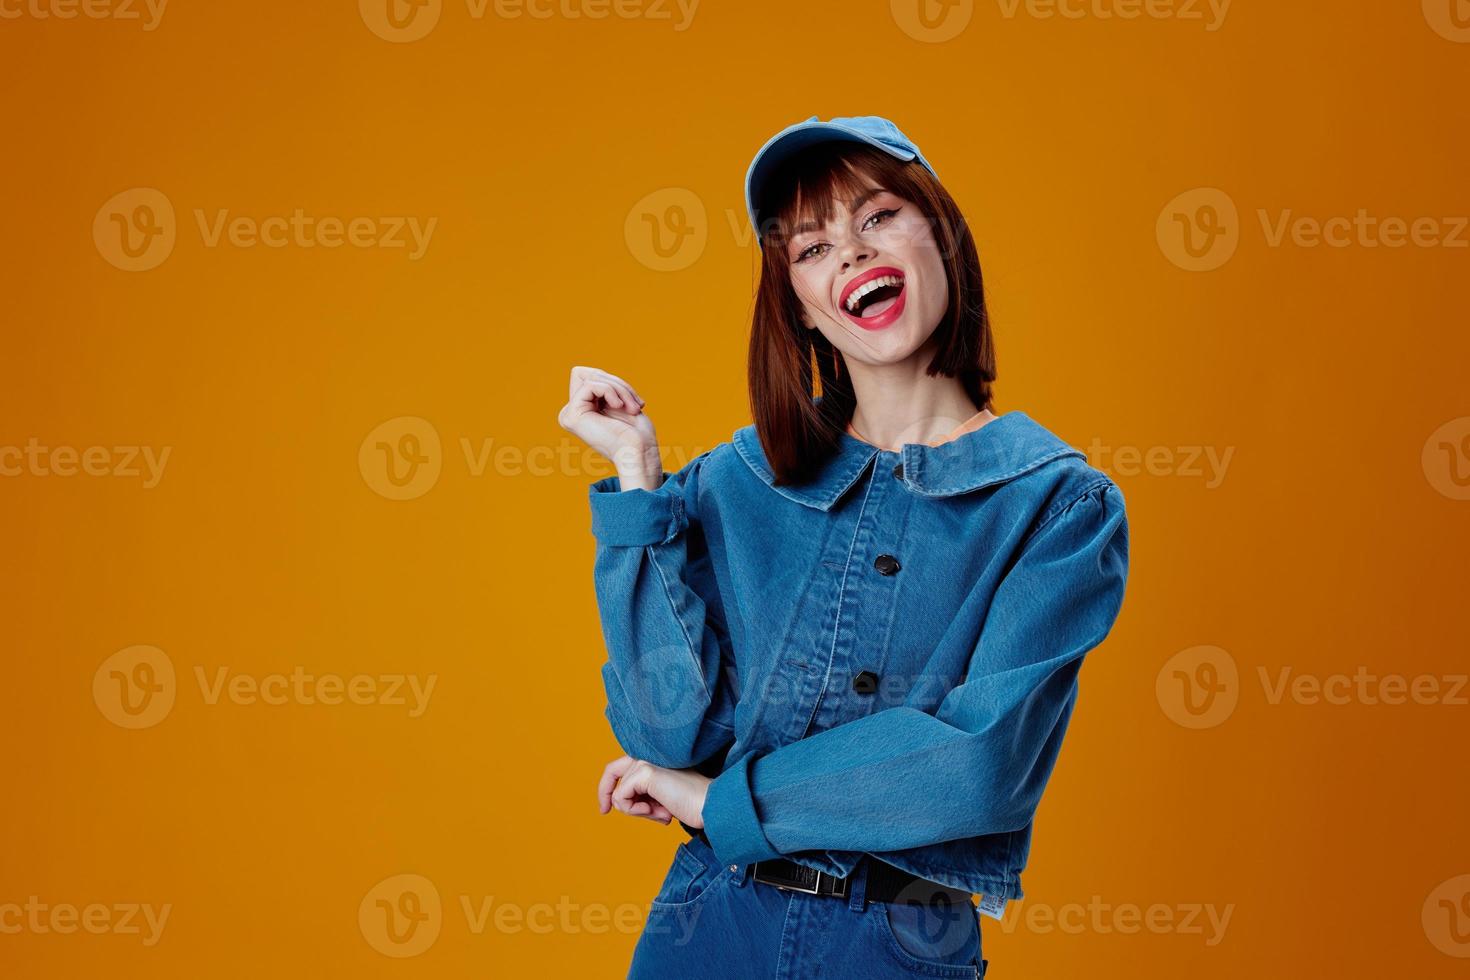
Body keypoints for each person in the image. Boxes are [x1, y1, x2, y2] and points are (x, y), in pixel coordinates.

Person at [559, 115, 1130, 978]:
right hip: (709, 925)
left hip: (899, 943)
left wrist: (727, 805)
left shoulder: (1057, 504)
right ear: (803, 310)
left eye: (877, 218)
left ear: (942, 236)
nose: (853, 256)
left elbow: (978, 765)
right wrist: (640, 478)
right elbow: (668, 730)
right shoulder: (735, 480)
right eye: (813, 248)